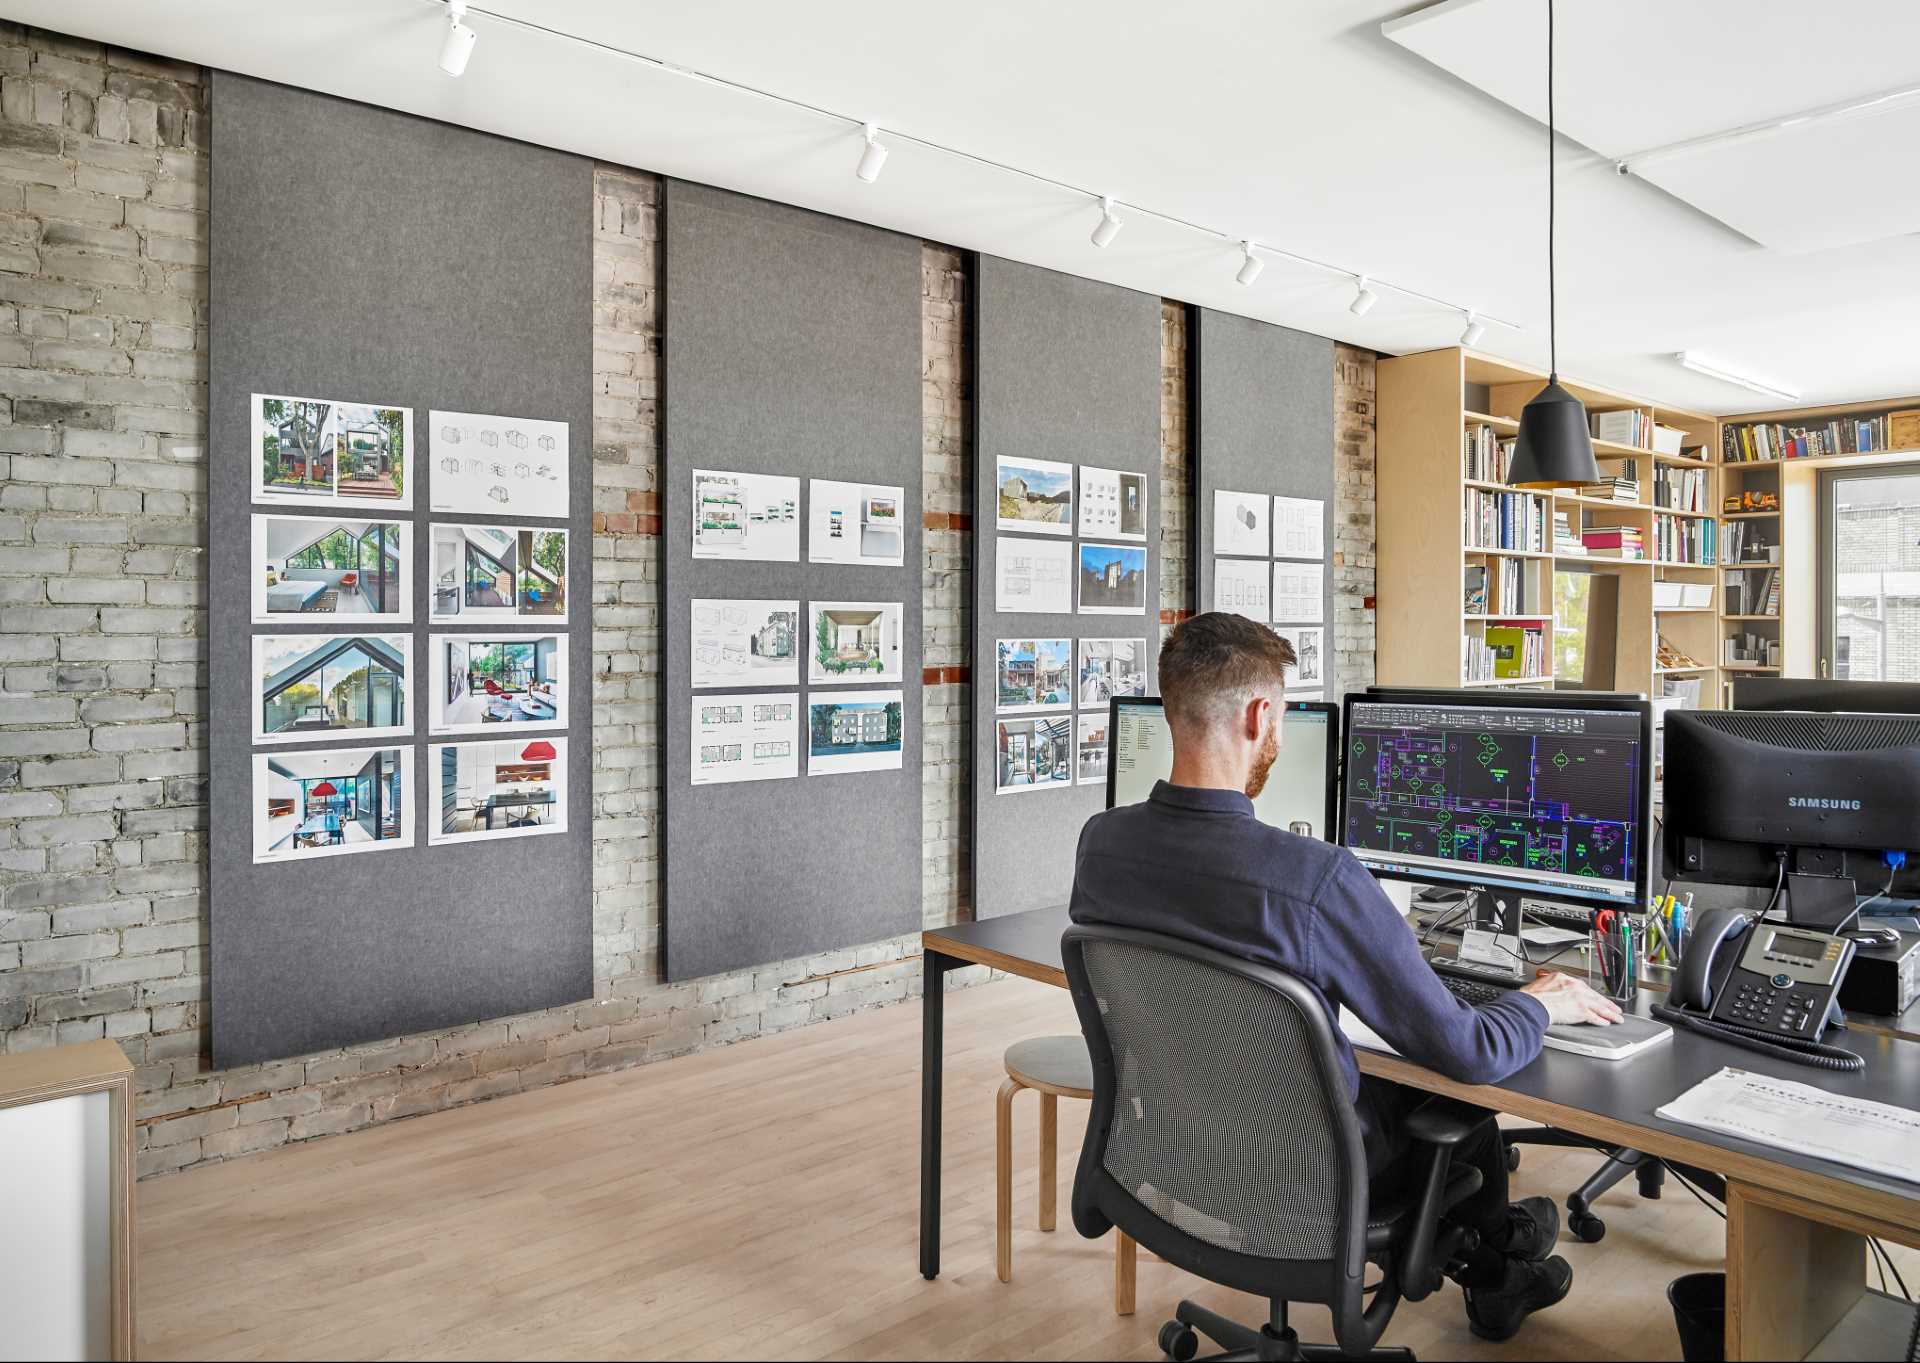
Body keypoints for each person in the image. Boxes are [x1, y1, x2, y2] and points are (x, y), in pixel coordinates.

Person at [1070, 612, 1623, 1342]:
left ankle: (1508, 1244)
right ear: (1261, 715)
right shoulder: (1315, 879)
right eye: (1284, 717)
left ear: (1172, 708)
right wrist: (1537, 1002)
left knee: (1404, 1092)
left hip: (1183, 1148)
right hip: (1309, 1175)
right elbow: (1466, 1048)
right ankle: (1500, 1263)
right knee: (1457, 1104)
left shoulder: (1101, 846)